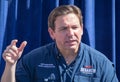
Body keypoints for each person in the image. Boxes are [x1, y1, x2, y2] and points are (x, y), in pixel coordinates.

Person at [1, 5, 119, 82]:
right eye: (64, 29)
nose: (71, 33)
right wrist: (10, 65)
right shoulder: (33, 60)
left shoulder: (101, 63)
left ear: (82, 29)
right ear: (52, 33)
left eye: (74, 27)